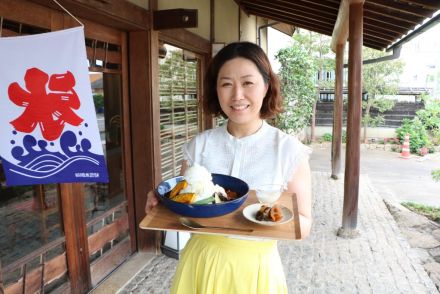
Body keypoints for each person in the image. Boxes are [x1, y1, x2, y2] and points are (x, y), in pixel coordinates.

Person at [145, 41, 312, 294]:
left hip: (257, 269)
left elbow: (305, 223)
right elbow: (183, 205)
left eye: (248, 83)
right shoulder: (200, 146)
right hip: (200, 261)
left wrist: (269, 214)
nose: (237, 95)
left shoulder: (289, 150)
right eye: (226, 84)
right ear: (216, 90)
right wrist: (161, 203)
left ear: (266, 87)